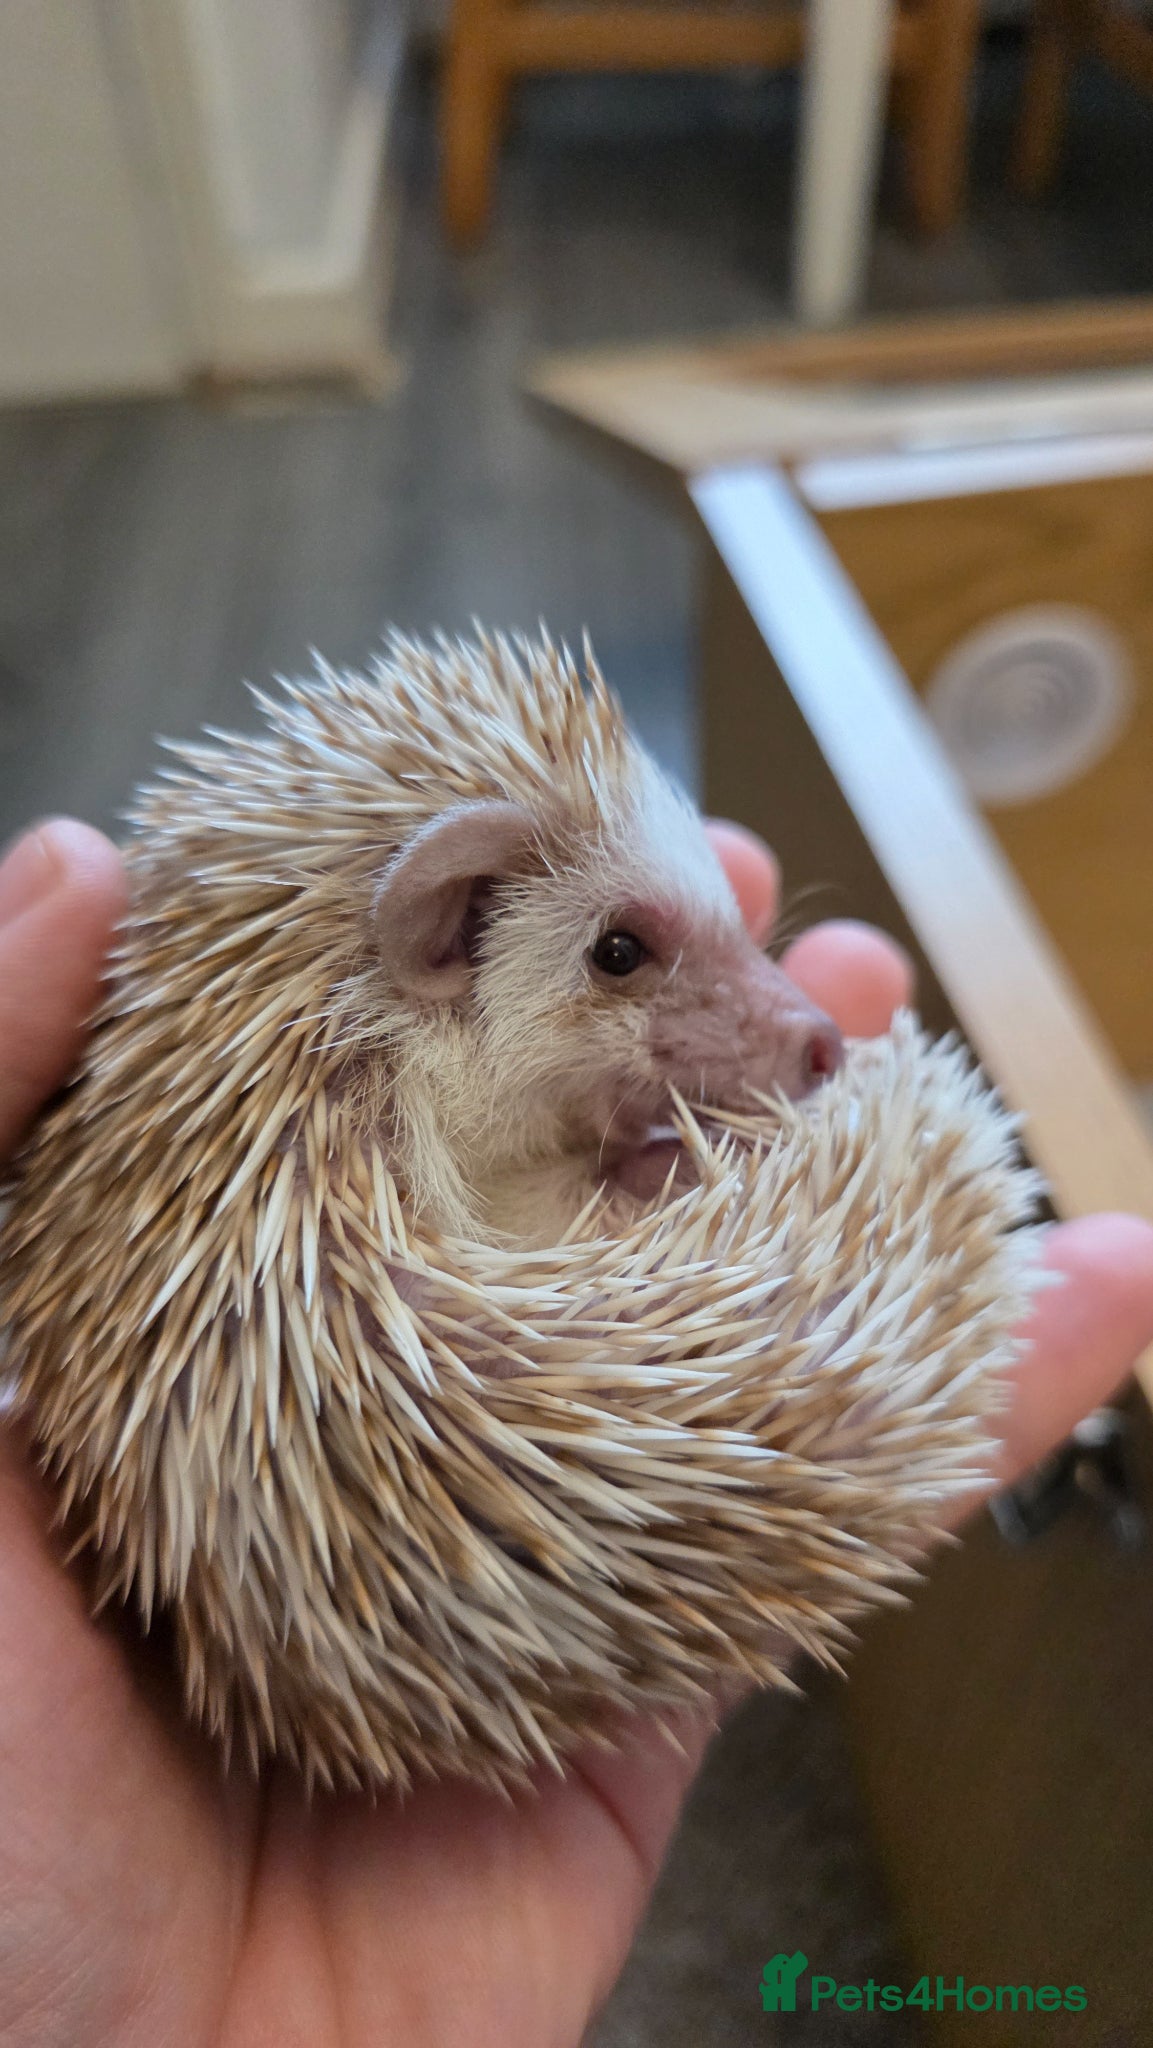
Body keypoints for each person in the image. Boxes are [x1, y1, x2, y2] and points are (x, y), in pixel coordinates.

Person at [1, 816, 1151, 2048]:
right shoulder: (335, 1250)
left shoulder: (391, 1147)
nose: (793, 1022)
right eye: (619, 953)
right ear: (446, 934)